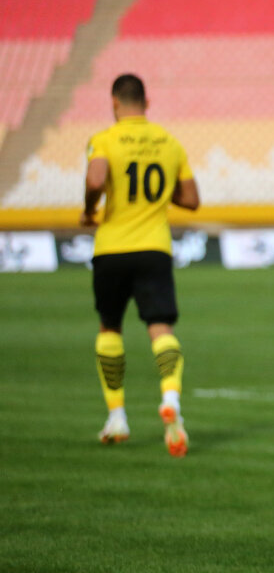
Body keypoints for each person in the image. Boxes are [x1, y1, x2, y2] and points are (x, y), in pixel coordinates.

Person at [82, 73, 199, 457]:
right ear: (146, 103)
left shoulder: (104, 139)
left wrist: (89, 209)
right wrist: (160, 194)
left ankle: (117, 416)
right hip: (154, 248)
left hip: (112, 248)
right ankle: (171, 399)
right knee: (161, 328)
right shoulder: (169, 142)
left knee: (109, 327)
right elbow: (191, 199)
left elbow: (96, 179)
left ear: (115, 102)